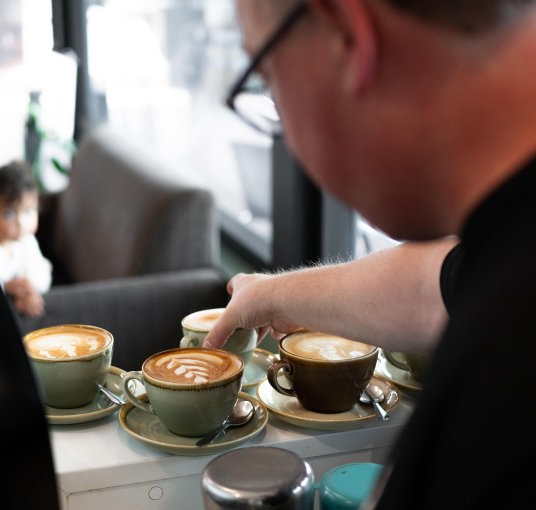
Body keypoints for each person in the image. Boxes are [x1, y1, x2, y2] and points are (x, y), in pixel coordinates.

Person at [203, 1, 536, 508]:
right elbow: (434, 285)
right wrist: (270, 295)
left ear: (348, 36)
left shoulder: (500, 394)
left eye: (267, 76)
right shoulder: (505, 248)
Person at [0, 161, 52, 317]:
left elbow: (42, 272)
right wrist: (6, 287)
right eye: (9, 214)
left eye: (28, 211)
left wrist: (29, 289)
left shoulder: (26, 240)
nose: (21, 222)